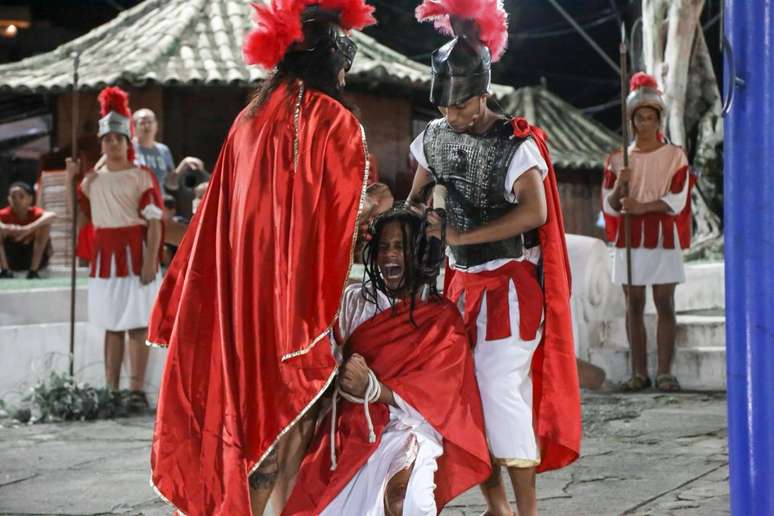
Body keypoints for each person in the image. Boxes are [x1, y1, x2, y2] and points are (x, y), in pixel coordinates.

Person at [144, 1, 377, 514]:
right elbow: (341, 222)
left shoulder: (247, 118)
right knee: (287, 427)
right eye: (345, 59)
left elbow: (217, 217)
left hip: (238, 304)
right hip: (292, 314)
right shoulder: (336, 122)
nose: (346, 71)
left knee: (259, 427)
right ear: (331, 59)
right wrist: (375, 207)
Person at [408, 1, 582, 514]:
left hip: (510, 288)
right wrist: (412, 218)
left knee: (502, 394)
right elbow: (416, 197)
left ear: (482, 93)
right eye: (444, 105)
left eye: (460, 105)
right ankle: (497, 506)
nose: (451, 114)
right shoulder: (434, 138)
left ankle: (525, 511)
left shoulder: (516, 144)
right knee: (465, 394)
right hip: (460, 289)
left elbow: (535, 213)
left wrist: (463, 236)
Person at [283, 207, 490, 515]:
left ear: (418, 252)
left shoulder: (441, 316)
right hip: (350, 424)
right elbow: (324, 361)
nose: (389, 255)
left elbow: (444, 396)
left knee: (405, 502)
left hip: (409, 425)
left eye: (400, 247)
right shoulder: (355, 301)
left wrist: (376, 390)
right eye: (383, 247)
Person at [66, 86, 163, 412]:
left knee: (137, 324)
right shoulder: (92, 180)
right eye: (107, 139)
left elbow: (154, 222)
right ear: (102, 142)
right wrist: (71, 181)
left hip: (134, 255)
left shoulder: (141, 176)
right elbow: (79, 215)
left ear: (127, 141)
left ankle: (136, 390)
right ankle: (112, 390)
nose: (112, 144)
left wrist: (150, 261)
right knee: (111, 325)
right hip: (104, 258)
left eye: (118, 139)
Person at [602, 72, 694, 393]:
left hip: (662, 237)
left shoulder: (675, 156)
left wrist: (642, 207)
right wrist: (620, 186)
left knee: (665, 301)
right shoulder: (617, 159)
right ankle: (638, 372)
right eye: (639, 118)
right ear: (632, 121)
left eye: (650, 118)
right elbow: (610, 205)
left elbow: (678, 200)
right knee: (634, 304)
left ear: (659, 120)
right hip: (629, 237)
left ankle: (665, 372)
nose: (644, 124)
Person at [132, 108, 205, 192]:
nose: (147, 126)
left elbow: (171, 184)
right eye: (142, 123)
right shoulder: (129, 148)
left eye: (150, 122)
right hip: (133, 200)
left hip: (157, 201)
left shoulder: (163, 150)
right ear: (134, 126)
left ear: (156, 125)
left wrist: (184, 164)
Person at [0, 181, 55, 278]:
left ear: (30, 199)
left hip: (32, 257)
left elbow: (52, 215)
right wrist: (5, 228)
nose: (17, 200)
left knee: (45, 225)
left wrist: (28, 229)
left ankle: (33, 271)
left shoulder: (35, 213)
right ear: (8, 199)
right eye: (13, 197)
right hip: (11, 257)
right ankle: (5, 271)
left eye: (21, 196)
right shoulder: (5, 214)